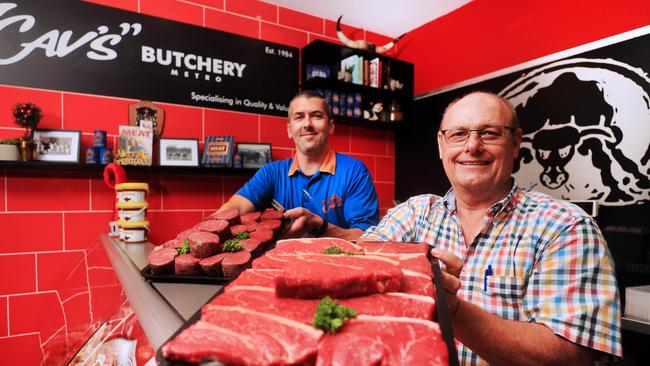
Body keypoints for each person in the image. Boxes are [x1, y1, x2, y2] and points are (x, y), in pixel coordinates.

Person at [361, 91, 621, 365]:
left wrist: (454, 310)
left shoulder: (565, 227)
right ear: (441, 145)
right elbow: (356, 265)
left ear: (516, 142)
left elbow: (571, 357)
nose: (472, 145)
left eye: (490, 133)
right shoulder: (416, 213)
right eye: (458, 134)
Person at [217, 90, 379, 239]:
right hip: (280, 265)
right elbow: (235, 206)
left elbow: (365, 237)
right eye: (299, 117)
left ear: (330, 126)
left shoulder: (354, 172)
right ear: (289, 129)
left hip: (340, 266)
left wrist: (320, 226)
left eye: (316, 115)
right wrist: (205, 230)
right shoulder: (272, 173)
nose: (307, 124)